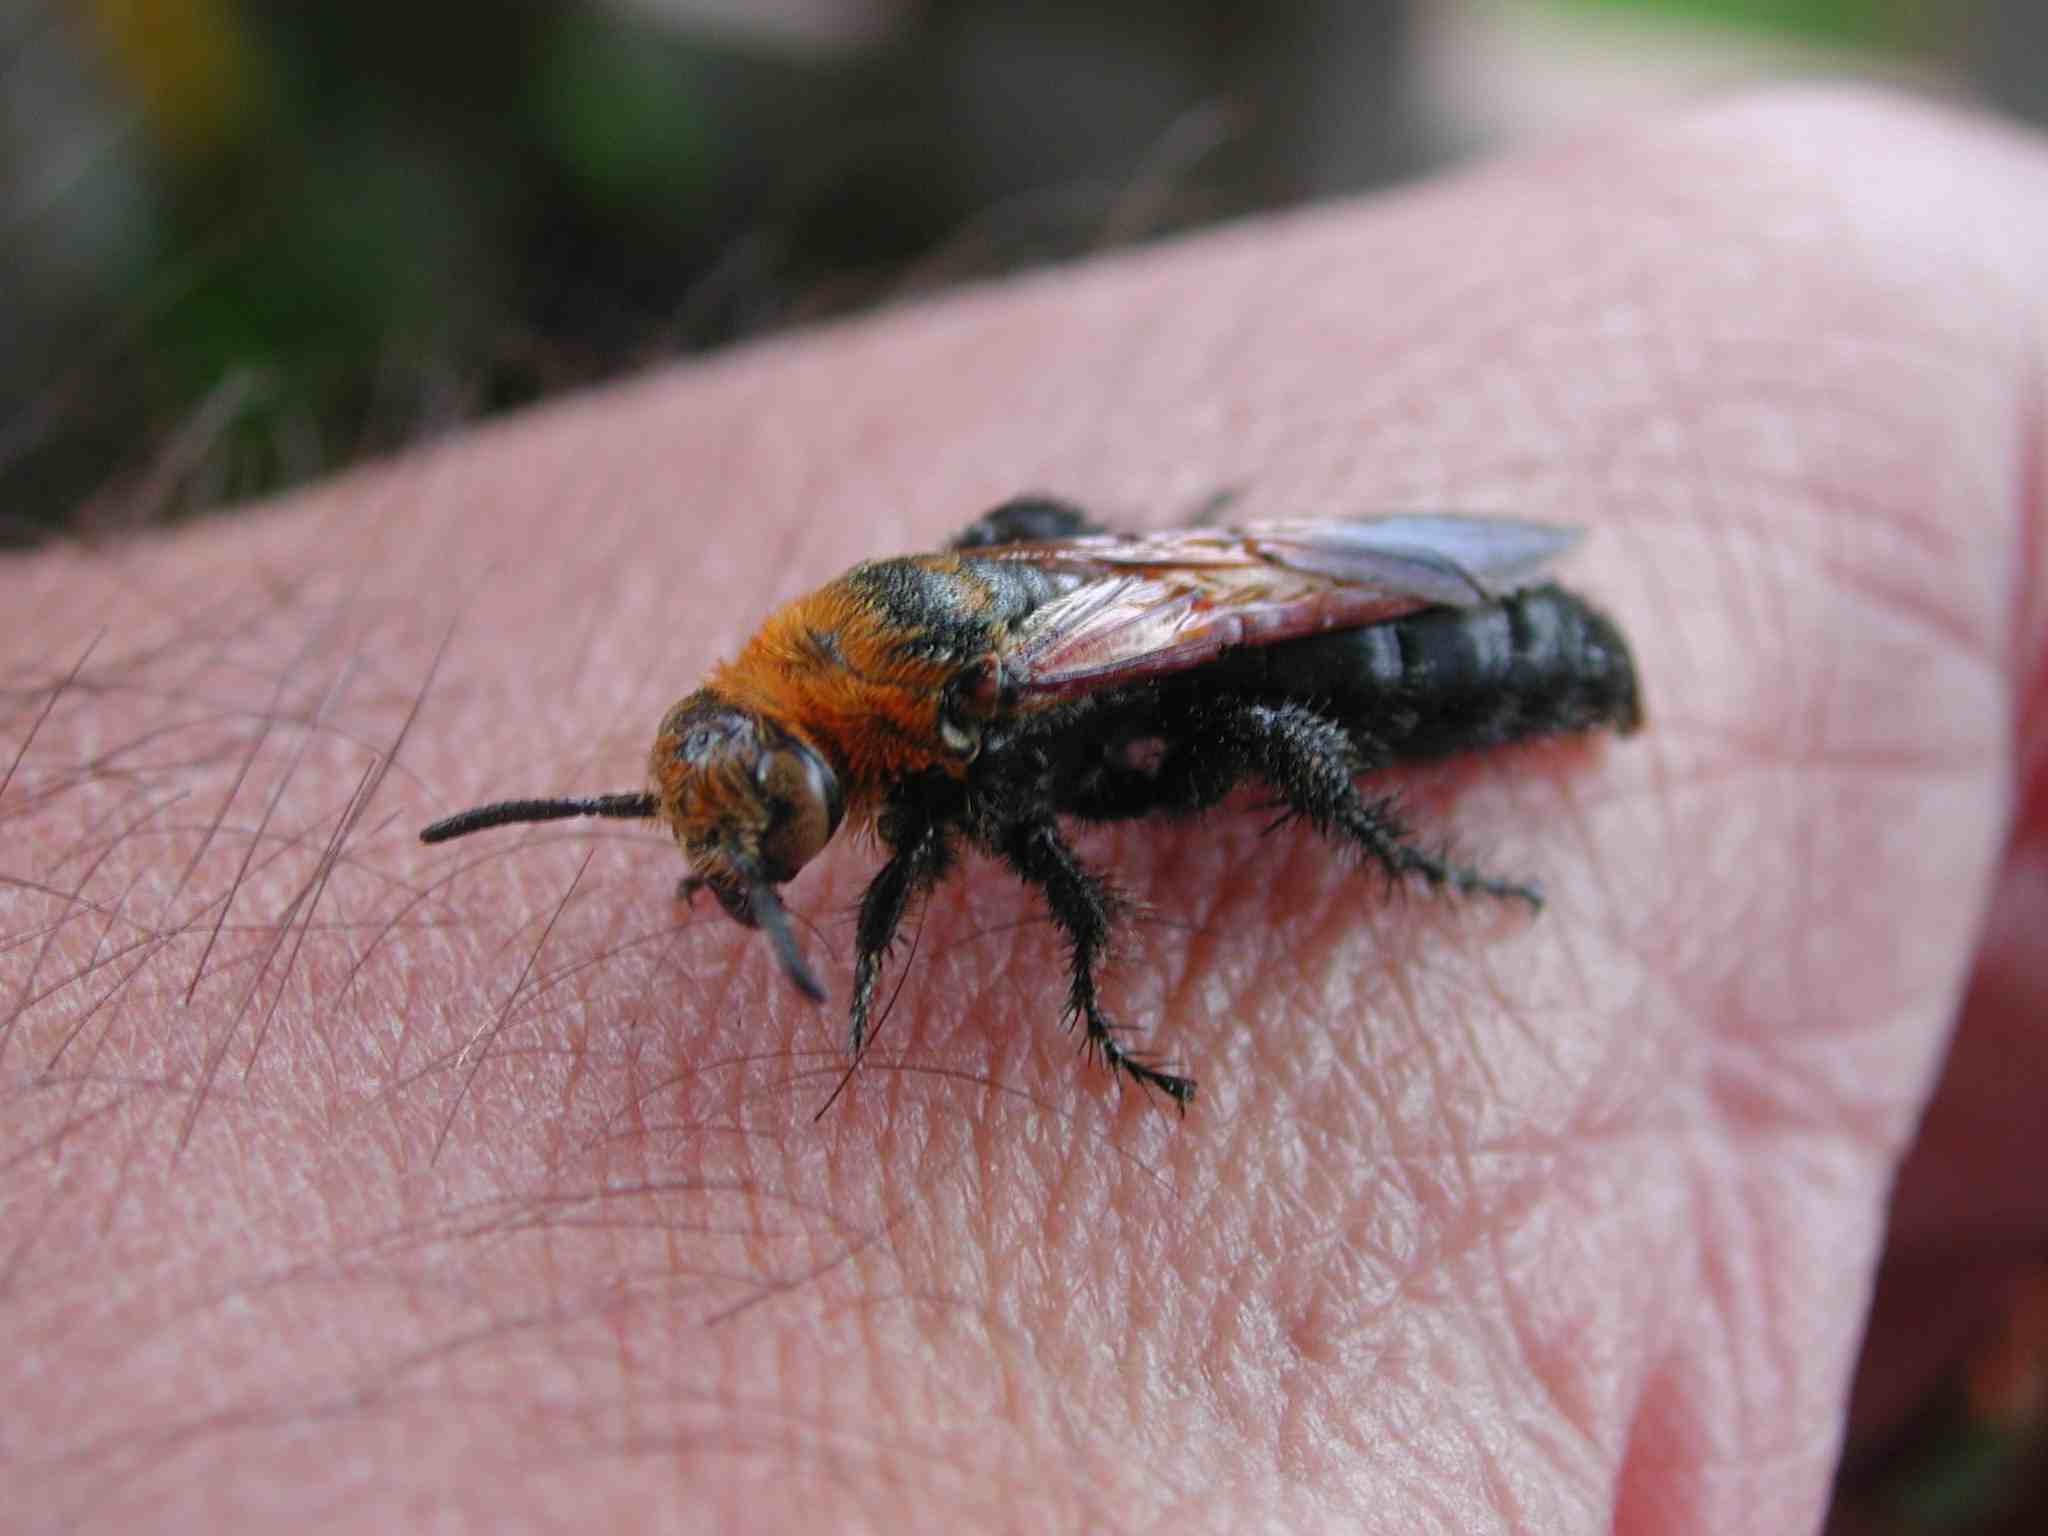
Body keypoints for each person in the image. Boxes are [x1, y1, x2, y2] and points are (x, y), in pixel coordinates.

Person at [4, 89, 2043, 1531]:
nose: (783, 853)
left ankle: (1403, 851)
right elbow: (1014, 579)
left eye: (773, 829)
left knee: (1239, 749)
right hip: (1162, 593)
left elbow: (1031, 844)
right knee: (1123, 693)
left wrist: (1071, 991)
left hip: (1391, 651)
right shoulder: (830, 682)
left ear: (841, 746)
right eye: (752, 829)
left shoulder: (948, 725)